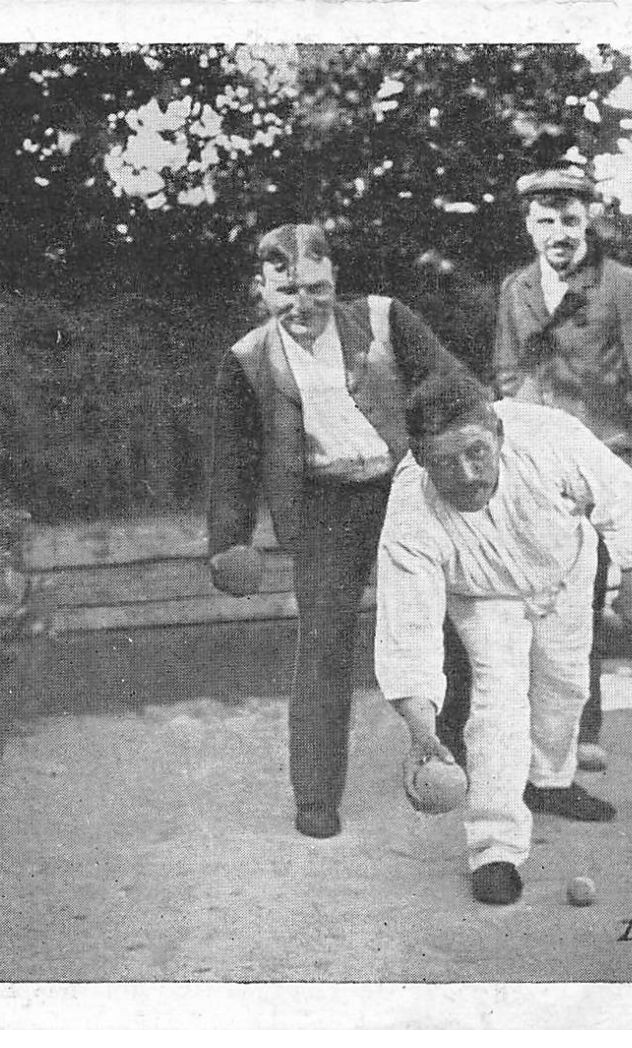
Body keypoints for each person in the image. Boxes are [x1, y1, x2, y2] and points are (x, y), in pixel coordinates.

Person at [208, 223, 466, 840]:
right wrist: (230, 540)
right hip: (326, 503)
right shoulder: (248, 359)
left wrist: (439, 438)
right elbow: (233, 459)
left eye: (317, 289)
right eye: (287, 290)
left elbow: (449, 384)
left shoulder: (384, 319)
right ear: (262, 290)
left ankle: (449, 755)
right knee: (323, 644)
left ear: (335, 282)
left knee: (452, 622)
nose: (304, 305)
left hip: (405, 486)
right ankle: (316, 797)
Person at [376, 372, 632, 904]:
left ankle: (550, 781)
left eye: (477, 453)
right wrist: (422, 732)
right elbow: (407, 633)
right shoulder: (410, 510)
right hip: (485, 598)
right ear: (418, 459)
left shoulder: (550, 436)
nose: (465, 475)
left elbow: (617, 493)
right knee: (498, 705)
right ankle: (494, 847)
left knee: (567, 684)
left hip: (566, 569)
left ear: (499, 434)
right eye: (443, 463)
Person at [436, 167, 632, 774]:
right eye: (546, 220)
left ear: (589, 219)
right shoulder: (517, 288)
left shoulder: (622, 286)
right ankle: (500, 729)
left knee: (582, 597)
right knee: (513, 593)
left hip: (600, 460)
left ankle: (577, 731)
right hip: (530, 467)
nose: (560, 233)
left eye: (571, 218)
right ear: (529, 225)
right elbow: (506, 373)